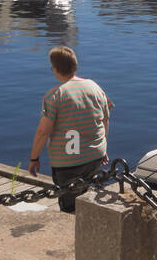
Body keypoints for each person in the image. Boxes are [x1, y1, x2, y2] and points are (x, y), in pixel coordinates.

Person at [29, 47, 112, 212]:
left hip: (67, 162)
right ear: (75, 66)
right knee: (92, 200)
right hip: (95, 155)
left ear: (55, 69)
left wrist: (34, 158)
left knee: (70, 206)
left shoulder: (54, 95)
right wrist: (103, 147)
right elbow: (105, 120)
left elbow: (43, 132)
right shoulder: (94, 87)